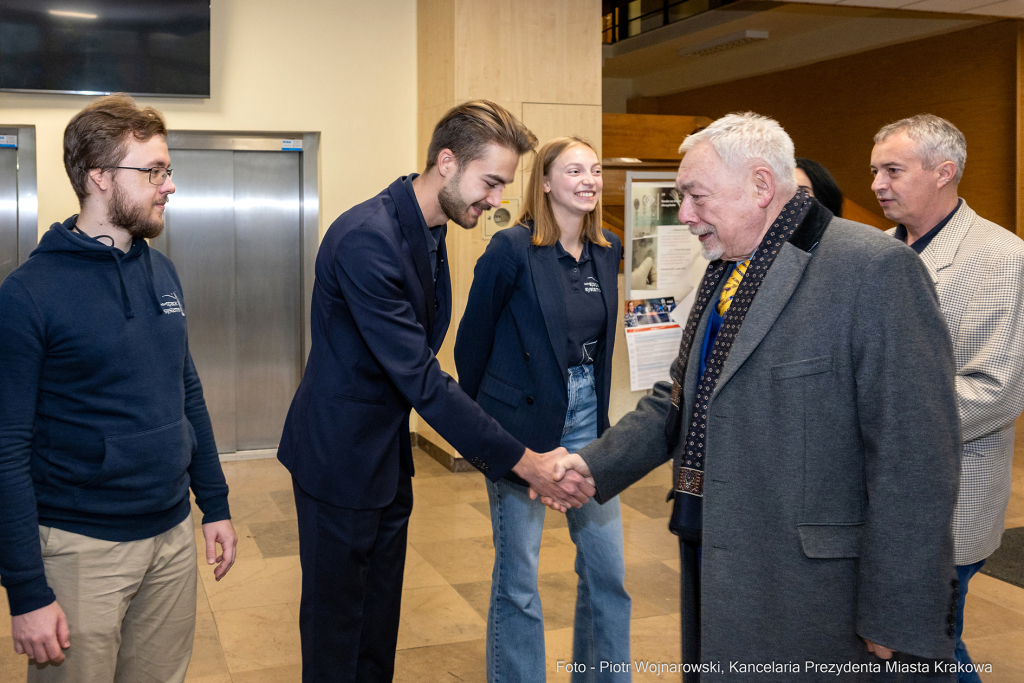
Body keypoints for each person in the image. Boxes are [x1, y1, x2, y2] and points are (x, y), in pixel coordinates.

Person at [543, 112, 962, 681]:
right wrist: (593, 466)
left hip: (814, 594)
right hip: (719, 558)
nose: (685, 214)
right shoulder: (729, 267)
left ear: (761, 186)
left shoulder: (874, 270)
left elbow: (915, 457)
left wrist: (897, 612)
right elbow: (684, 393)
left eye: (697, 196)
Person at [276, 101, 595, 683]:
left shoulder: (430, 228)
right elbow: (420, 376)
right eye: (490, 182)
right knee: (336, 631)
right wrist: (522, 460)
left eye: (503, 185)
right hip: (338, 459)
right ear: (447, 162)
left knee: (377, 625)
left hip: (385, 456)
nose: (497, 199)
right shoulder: (367, 238)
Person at [0, 94, 236, 683]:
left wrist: (215, 505)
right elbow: (5, 449)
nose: (168, 185)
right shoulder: (28, 295)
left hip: (171, 535)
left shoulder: (163, 271)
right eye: (153, 171)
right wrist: (26, 590)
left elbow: (187, 392)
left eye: (168, 169)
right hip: (81, 547)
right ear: (99, 176)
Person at [454, 137, 629, 682]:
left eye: (595, 170)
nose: (589, 180)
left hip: (588, 421)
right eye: (574, 171)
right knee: (518, 580)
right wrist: (487, 430)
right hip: (522, 428)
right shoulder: (511, 248)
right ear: (546, 183)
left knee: (607, 571)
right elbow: (472, 342)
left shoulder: (609, 248)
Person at [871, 113, 1024, 682]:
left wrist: (868, 416)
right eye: (874, 171)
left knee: (924, 651)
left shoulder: (1001, 258)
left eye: (893, 170)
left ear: (944, 172)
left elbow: (993, 390)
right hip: (873, 500)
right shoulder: (874, 251)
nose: (877, 184)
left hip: (948, 502)